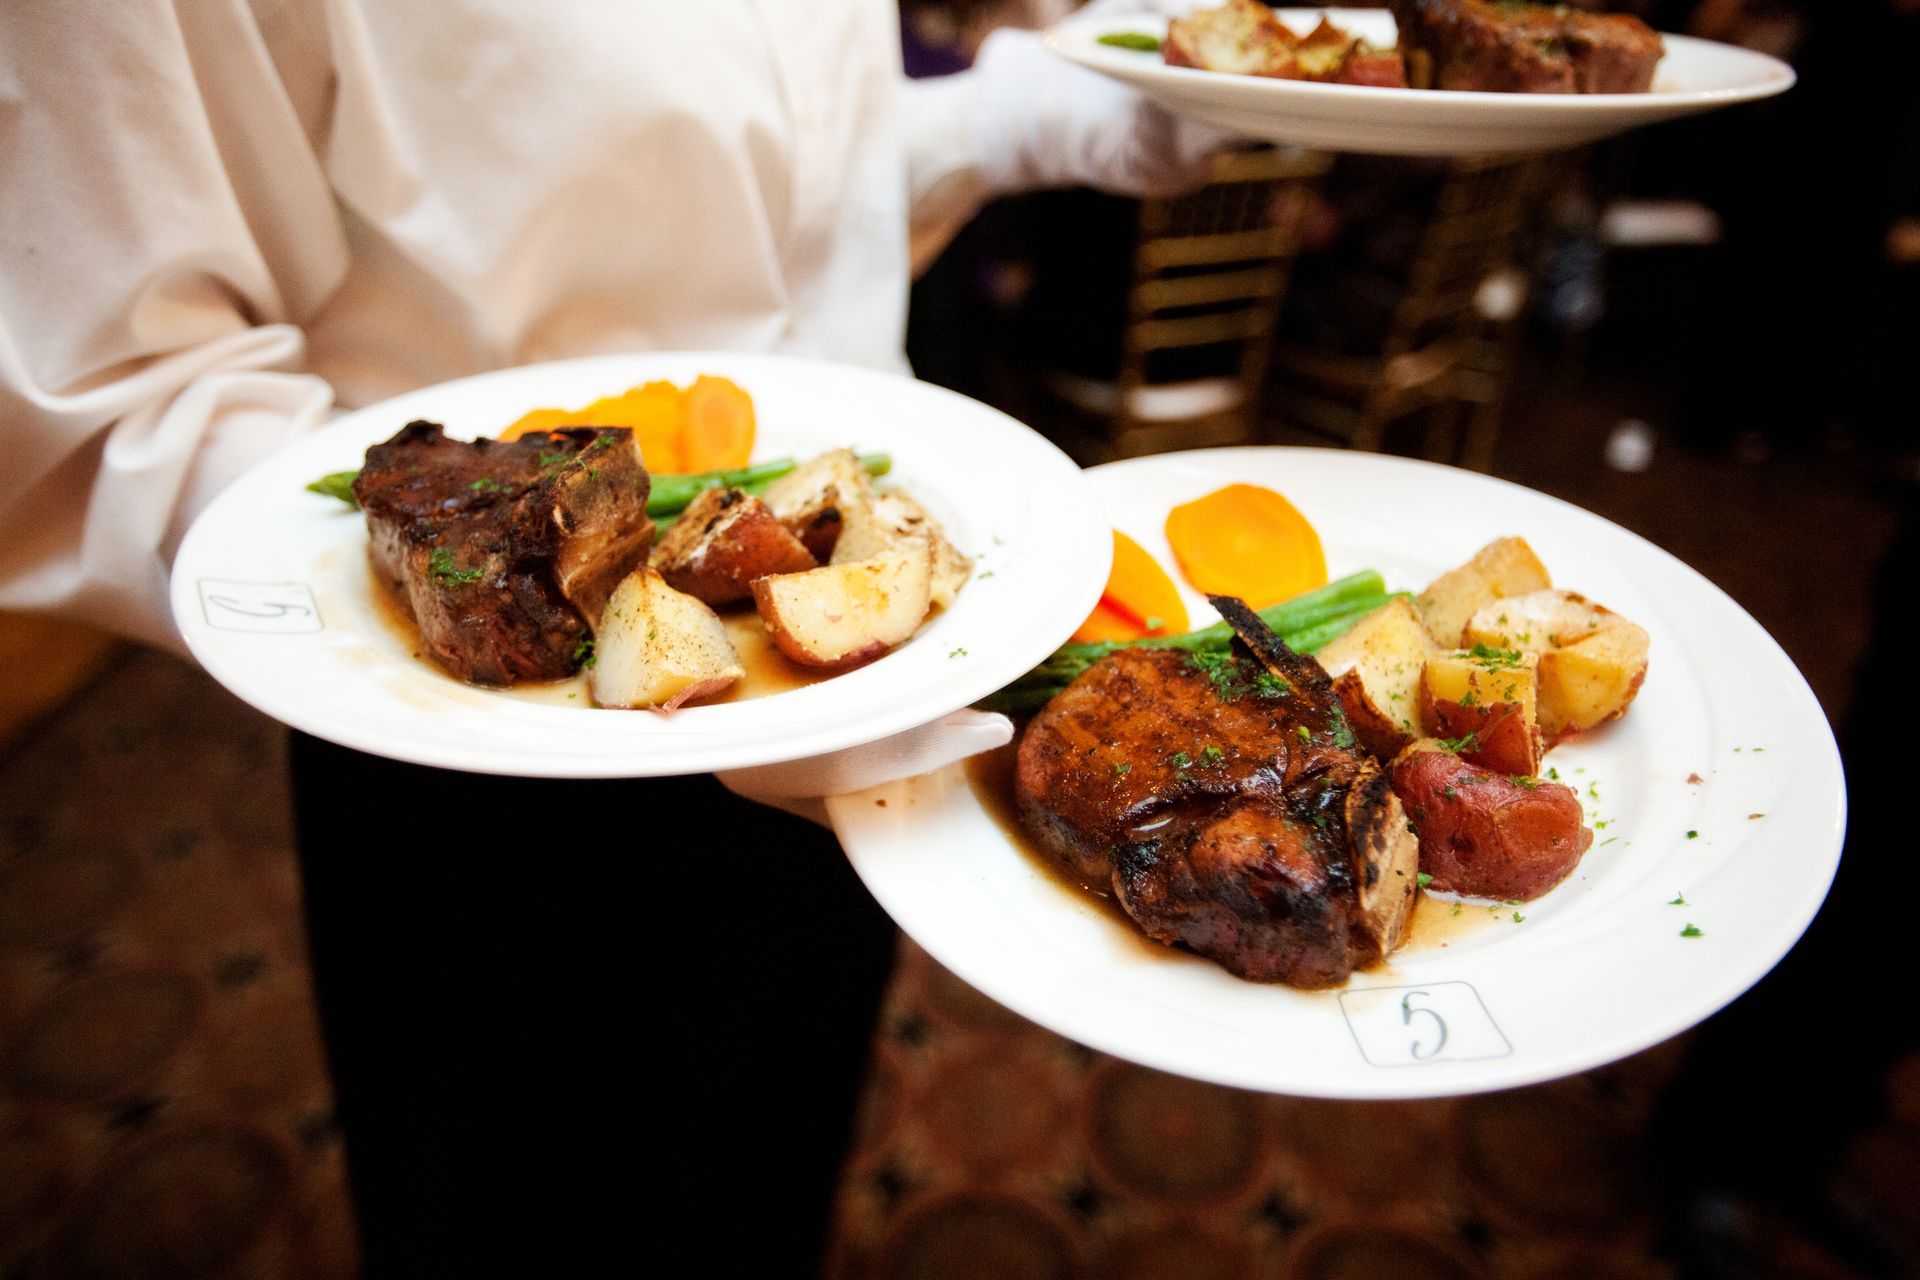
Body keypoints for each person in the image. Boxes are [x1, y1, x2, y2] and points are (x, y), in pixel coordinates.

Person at [0, 1, 1223, 1272]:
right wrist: (485, 566)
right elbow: (97, 392)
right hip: (465, 755)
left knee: (765, 1176)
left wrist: (1001, 120)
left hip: (841, 706)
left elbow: (761, 198)